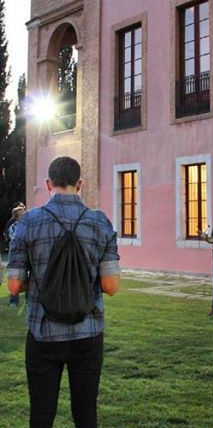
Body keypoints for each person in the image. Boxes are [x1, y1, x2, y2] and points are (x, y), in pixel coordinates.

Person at [7, 156, 120, 427]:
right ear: (80, 184)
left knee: (41, 413)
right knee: (86, 413)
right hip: (88, 332)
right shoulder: (99, 222)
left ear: (48, 184)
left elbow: (13, 285)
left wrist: (41, 280)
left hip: (43, 333)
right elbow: (111, 286)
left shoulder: (28, 222)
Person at [7, 204, 26, 307]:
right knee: (15, 279)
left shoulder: (27, 226)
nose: (24, 215)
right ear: (17, 216)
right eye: (22, 214)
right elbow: (16, 240)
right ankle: (13, 302)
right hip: (15, 258)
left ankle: (28, 300)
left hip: (26, 256)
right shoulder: (13, 227)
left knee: (29, 279)